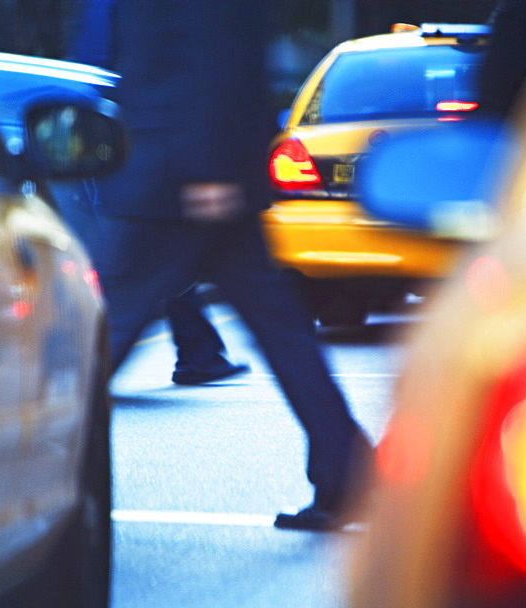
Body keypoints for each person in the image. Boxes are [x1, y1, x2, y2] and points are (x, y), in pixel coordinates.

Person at [87, 0, 374, 530]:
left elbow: (212, 46)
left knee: (104, 333)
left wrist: (208, 167)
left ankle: (26, 475)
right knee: (282, 331)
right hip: (192, 168)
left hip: (179, 176)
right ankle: (347, 471)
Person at [65, 0, 249, 387]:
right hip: (143, 149)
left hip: (135, 146)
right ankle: (74, 397)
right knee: (137, 281)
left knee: (152, 269)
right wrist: (207, 165)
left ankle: (201, 351)